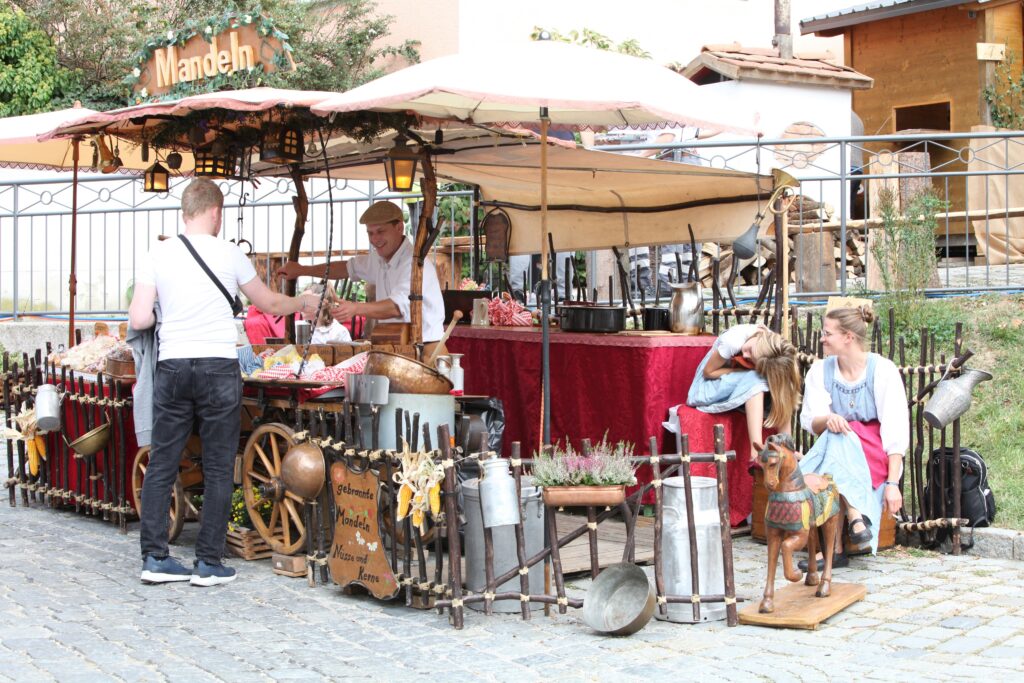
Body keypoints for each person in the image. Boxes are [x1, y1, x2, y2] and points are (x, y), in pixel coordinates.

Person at [128, 178, 318, 586]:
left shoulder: (157, 254)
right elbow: (267, 303)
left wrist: (172, 317)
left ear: (185, 212)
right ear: (216, 212)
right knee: (217, 466)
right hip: (217, 366)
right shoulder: (231, 254)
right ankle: (208, 563)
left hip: (174, 366)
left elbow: (139, 319)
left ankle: (155, 559)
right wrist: (303, 302)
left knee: (163, 461)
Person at [797, 306, 908, 568]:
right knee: (838, 437)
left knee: (842, 439)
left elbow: (895, 430)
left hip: (872, 452)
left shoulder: (882, 371)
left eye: (827, 334)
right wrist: (829, 419)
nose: (822, 339)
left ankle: (833, 549)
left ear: (848, 337)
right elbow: (811, 420)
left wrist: (892, 483)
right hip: (835, 443)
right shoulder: (820, 371)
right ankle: (855, 518)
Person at [276, 201, 446, 356]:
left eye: (380, 232)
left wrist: (355, 308)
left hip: (427, 349)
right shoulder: (379, 258)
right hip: (400, 348)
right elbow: (346, 267)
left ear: (399, 228)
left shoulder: (411, 263)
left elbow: (396, 307)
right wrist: (302, 270)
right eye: (370, 233)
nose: (374, 239)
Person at [687, 323, 802, 463]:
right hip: (706, 387)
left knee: (784, 382)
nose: (745, 353)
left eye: (750, 357)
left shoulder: (771, 345)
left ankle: (787, 447)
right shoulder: (733, 341)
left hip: (737, 384)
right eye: (750, 352)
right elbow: (708, 372)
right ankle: (756, 451)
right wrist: (744, 371)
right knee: (755, 380)